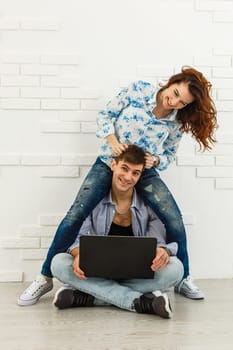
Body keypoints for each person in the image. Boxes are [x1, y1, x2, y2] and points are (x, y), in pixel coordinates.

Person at [17, 66, 217, 306]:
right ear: (171, 82)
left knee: (173, 217)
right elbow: (105, 115)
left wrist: (156, 160)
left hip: (143, 171)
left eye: (182, 103)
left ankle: (183, 278)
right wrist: (113, 142)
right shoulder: (139, 90)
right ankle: (45, 277)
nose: (174, 102)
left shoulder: (175, 122)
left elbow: (170, 153)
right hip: (111, 162)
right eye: (175, 93)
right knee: (76, 213)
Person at [51, 145, 184, 319]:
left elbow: (158, 242)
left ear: (140, 175)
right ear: (113, 165)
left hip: (136, 274)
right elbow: (76, 238)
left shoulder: (149, 204)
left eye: (135, 173)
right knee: (58, 262)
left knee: (176, 268)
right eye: (124, 168)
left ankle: (90, 296)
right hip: (97, 271)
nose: (128, 177)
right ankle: (141, 301)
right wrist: (79, 254)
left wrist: (162, 252)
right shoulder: (94, 200)